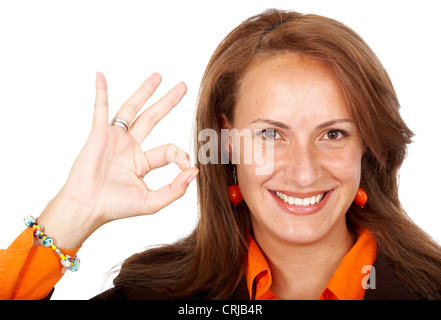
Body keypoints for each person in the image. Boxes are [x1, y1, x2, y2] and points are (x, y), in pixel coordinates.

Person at [2, 9, 441, 300]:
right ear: (226, 138)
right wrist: (70, 215)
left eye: (333, 134)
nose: (304, 173)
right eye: (271, 133)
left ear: (366, 143)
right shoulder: (154, 296)